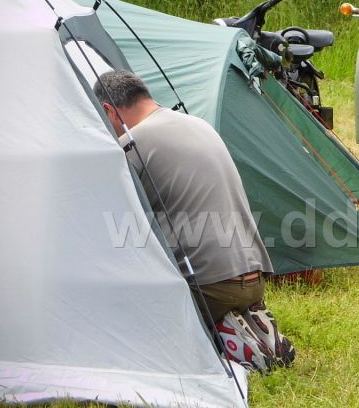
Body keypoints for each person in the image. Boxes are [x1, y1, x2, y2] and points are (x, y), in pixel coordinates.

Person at [93, 70, 294, 373]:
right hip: (253, 278)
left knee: (118, 308)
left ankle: (224, 338)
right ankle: (246, 326)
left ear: (109, 110)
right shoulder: (198, 124)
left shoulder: (131, 144)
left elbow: (112, 223)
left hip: (209, 288)